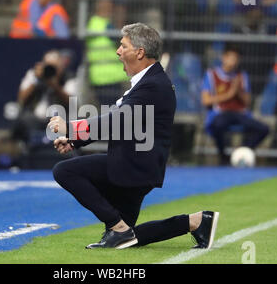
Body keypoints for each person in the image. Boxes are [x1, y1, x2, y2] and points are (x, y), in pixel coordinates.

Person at [47, 23, 219, 250]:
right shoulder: (151, 82)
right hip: (140, 165)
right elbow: (119, 123)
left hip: (134, 165)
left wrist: (69, 128)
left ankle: (117, 227)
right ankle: (196, 222)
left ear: (139, 52)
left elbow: (117, 121)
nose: (118, 51)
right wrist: (75, 140)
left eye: (123, 46)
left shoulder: (153, 85)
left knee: (65, 171)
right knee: (128, 238)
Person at [201, 43, 269, 164]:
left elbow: (247, 102)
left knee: (264, 129)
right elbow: (206, 100)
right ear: (224, 58)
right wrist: (229, 94)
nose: (234, 61)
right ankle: (223, 156)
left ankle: (241, 152)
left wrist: (238, 91)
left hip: (240, 114)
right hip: (221, 113)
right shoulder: (212, 75)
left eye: (236, 59)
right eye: (231, 58)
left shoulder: (241, 76)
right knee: (217, 126)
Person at [12, 49, 77, 146]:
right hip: (35, 119)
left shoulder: (69, 77)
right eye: (48, 66)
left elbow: (72, 102)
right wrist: (36, 80)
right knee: (22, 121)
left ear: (61, 66)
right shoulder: (34, 74)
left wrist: (55, 86)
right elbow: (21, 99)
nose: (50, 70)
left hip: (59, 119)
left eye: (54, 67)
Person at [86, 0, 129, 106]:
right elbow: (123, 42)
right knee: (113, 112)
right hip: (110, 77)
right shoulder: (106, 26)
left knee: (107, 111)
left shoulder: (92, 24)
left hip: (97, 76)